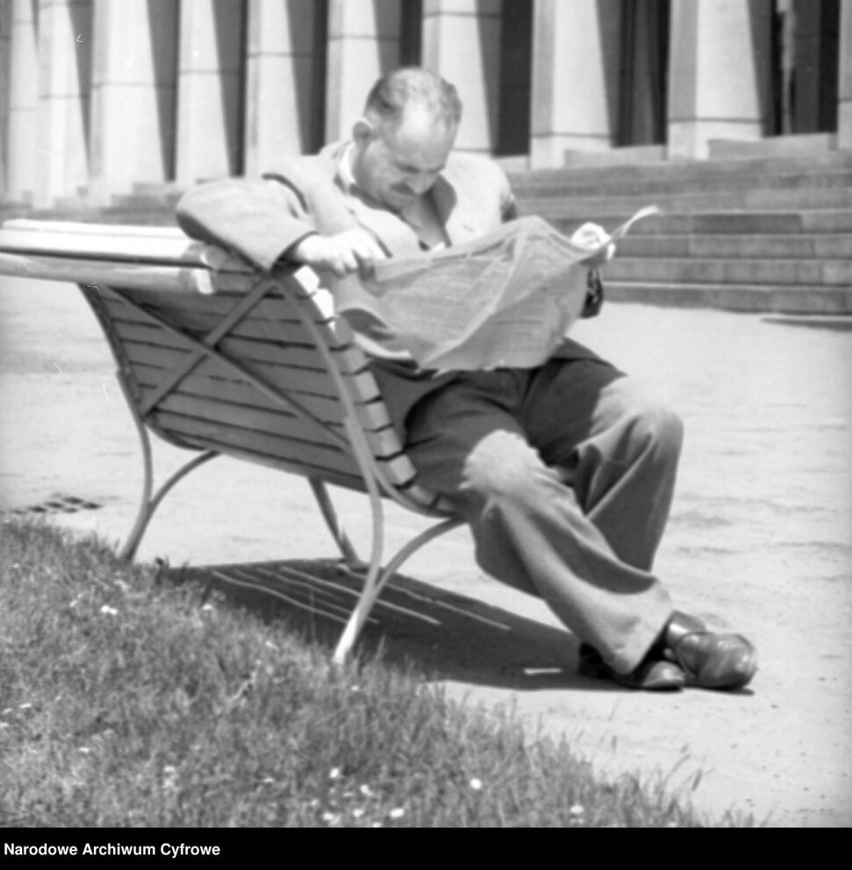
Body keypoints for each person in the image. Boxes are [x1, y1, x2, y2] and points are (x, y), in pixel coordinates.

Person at [176, 67, 757, 692]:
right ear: (364, 133)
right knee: (507, 479)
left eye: (434, 170)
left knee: (648, 421)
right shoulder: (304, 184)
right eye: (405, 169)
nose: (420, 185)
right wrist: (309, 245)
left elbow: (521, 279)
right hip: (429, 397)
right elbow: (203, 203)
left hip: (524, 366)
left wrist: (575, 264)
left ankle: (613, 632)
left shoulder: (481, 180)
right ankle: (653, 632)